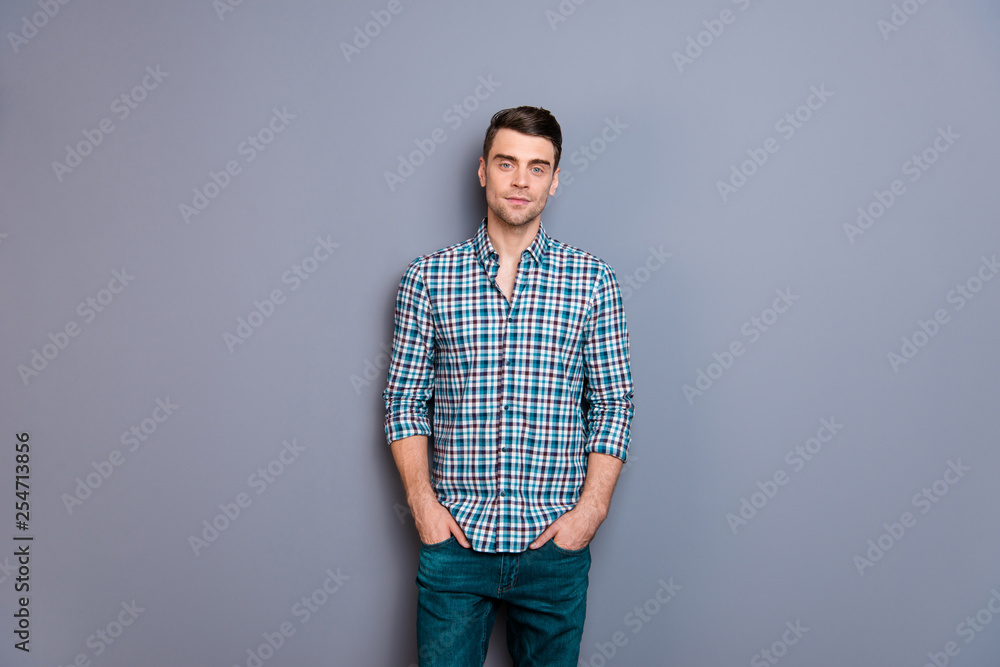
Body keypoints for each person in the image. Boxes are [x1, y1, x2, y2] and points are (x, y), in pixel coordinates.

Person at [383, 106, 634, 667]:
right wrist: (424, 508)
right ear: (482, 171)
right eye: (507, 163)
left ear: (555, 178)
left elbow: (614, 403)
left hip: (554, 546)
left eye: (538, 167)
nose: (521, 180)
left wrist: (588, 515)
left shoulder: (593, 281)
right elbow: (403, 402)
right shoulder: (428, 278)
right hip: (455, 546)